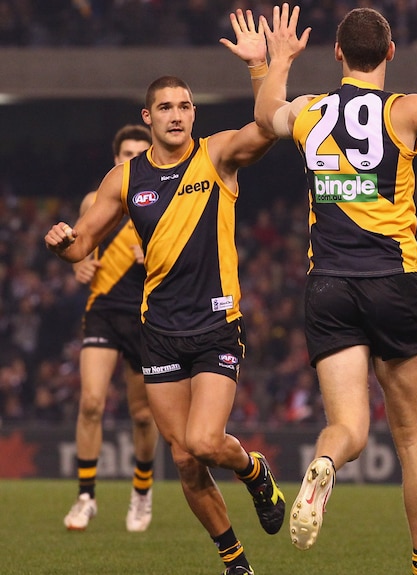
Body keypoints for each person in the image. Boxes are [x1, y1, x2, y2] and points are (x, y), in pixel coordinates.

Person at [254, 5, 417, 574]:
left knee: (347, 425)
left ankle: (325, 461)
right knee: (414, 437)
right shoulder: (404, 110)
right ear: (391, 54)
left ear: (339, 54)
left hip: (328, 286)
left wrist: (277, 61)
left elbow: (266, 113)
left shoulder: (310, 111)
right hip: (393, 282)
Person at [46, 9, 282, 575]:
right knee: (185, 458)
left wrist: (259, 67)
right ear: (148, 117)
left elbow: (272, 126)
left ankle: (254, 470)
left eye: (185, 106)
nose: (177, 115)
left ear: (193, 114)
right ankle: (236, 563)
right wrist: (62, 244)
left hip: (216, 323)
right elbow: (83, 248)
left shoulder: (218, 154)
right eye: (167, 107)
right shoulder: (125, 180)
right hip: (160, 332)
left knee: (204, 441)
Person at [62, 124, 159, 533]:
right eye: (125, 154)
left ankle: (141, 493)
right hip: (102, 309)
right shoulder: (95, 201)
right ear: (115, 159)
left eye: (139, 153)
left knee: (141, 416)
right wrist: (76, 264)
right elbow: (76, 247)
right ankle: (86, 497)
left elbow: (184, 264)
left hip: (143, 314)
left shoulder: (161, 202)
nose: (131, 160)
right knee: (91, 403)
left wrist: (151, 257)